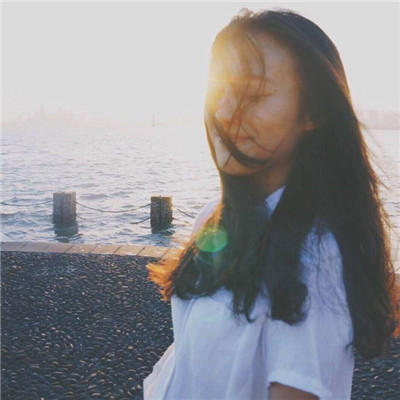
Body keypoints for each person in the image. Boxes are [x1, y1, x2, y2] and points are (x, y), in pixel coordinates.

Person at [143, 8, 400, 400]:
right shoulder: (214, 217)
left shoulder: (315, 255)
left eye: (254, 94)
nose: (224, 112)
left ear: (313, 111)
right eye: (218, 91)